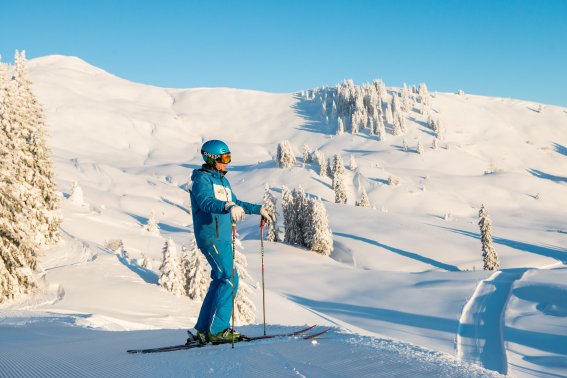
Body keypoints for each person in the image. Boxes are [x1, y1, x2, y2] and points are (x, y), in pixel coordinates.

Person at [188, 140, 273, 344]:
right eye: (225, 158)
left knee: (221, 280)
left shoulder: (223, 182)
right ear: (212, 158)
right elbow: (206, 202)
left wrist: (257, 209)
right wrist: (227, 206)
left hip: (224, 238)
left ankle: (202, 329)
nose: (228, 162)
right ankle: (218, 330)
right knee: (229, 278)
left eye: (229, 157)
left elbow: (236, 203)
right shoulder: (201, 180)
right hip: (211, 236)